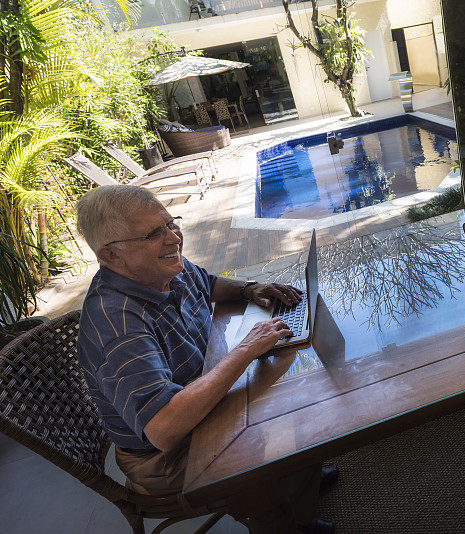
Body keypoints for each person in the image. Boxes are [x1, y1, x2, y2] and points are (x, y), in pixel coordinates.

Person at [75, 185, 337, 533]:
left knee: (294, 392)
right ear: (112, 255)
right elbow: (165, 429)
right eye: (155, 233)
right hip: (165, 456)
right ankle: (278, 512)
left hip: (198, 396)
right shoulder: (117, 325)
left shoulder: (161, 269)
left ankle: (296, 481)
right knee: (276, 425)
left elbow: (208, 283)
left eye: (172, 223)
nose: (173, 238)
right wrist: (244, 351)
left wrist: (249, 289)